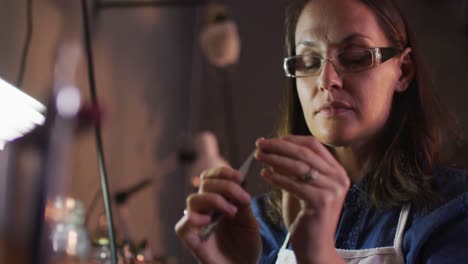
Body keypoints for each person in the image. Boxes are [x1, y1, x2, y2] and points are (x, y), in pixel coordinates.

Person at [175, 0, 468, 263]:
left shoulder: (453, 210)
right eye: (308, 62)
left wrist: (318, 254)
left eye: (354, 57)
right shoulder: (263, 223)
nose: (327, 81)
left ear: (403, 71)